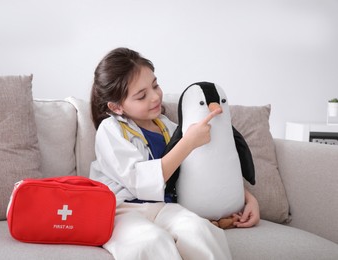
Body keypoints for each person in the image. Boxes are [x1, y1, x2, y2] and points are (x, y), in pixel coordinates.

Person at [89, 47, 259, 260]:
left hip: (164, 208)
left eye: (155, 85)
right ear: (116, 107)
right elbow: (139, 183)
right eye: (142, 96)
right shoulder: (110, 130)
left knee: (200, 231)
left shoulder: (167, 126)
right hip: (122, 211)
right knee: (150, 243)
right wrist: (187, 143)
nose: (155, 97)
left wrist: (247, 199)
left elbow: (201, 168)